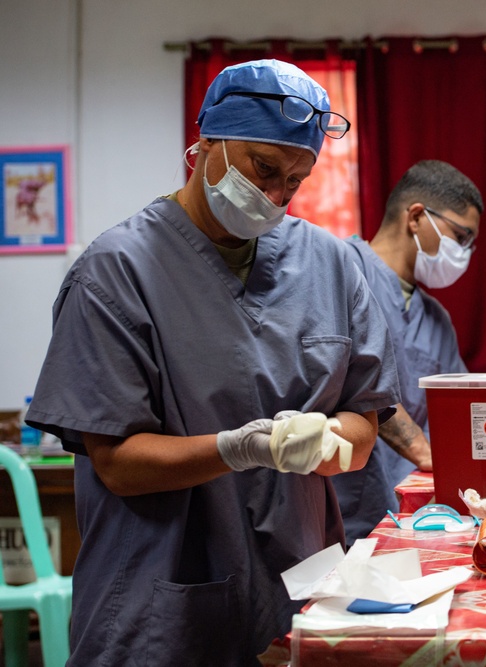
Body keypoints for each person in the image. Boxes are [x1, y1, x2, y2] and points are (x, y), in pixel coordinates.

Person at [25, 60, 401, 665]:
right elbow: (117, 464)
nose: (277, 195)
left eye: (296, 180)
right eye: (263, 167)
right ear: (205, 143)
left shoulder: (330, 266)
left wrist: (329, 438)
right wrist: (241, 449)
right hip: (160, 607)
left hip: (300, 590)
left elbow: (363, 428)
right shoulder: (116, 273)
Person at [333, 159, 482, 544]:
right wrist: (426, 453)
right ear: (416, 216)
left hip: (424, 518)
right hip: (346, 513)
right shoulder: (337, 272)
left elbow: (462, 409)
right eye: (460, 236)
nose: (464, 252)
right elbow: (351, 380)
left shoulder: (435, 318)